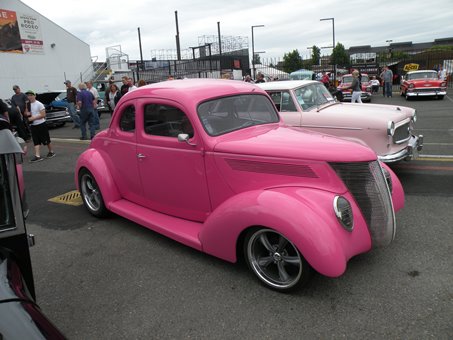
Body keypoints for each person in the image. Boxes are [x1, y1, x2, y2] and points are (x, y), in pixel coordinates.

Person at [24, 90, 55, 162]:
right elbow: (26, 114)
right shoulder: (27, 104)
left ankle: (51, 151)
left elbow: (43, 115)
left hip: (41, 124)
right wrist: (26, 114)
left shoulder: (39, 104)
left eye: (31, 95)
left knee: (46, 140)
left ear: (34, 96)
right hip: (33, 125)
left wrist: (33, 118)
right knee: (36, 141)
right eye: (28, 95)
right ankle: (37, 156)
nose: (29, 97)